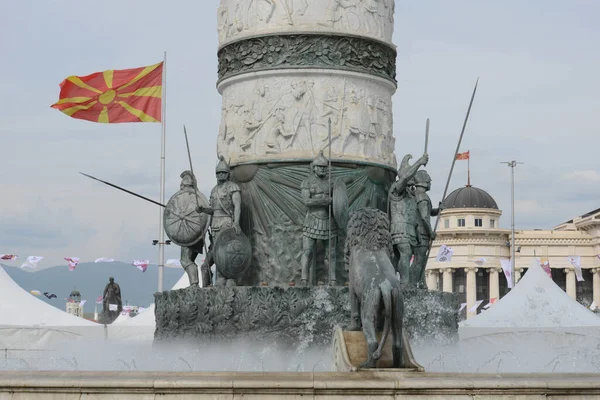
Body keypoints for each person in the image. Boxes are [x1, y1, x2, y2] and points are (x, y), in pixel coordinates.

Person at [197, 156, 242, 286]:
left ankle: (229, 277)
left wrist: (236, 223)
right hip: (214, 225)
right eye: (219, 173)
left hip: (227, 223)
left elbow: (237, 207)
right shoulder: (214, 190)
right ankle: (220, 277)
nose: (221, 175)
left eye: (223, 172)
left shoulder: (233, 187)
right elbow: (213, 210)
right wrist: (203, 209)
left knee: (227, 252)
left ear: (228, 174)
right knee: (217, 253)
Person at [388, 153, 428, 285]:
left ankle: (394, 281)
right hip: (399, 228)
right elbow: (404, 178)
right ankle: (404, 283)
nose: (413, 179)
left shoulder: (411, 194)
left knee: (397, 258)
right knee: (406, 252)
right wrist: (419, 162)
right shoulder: (397, 189)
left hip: (409, 230)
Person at [300, 151, 337, 286]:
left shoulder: (332, 184)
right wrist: (325, 201)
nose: (322, 169)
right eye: (320, 166)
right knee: (308, 251)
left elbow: (339, 201)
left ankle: (332, 279)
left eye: (324, 167)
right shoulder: (307, 182)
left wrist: (332, 202)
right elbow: (307, 201)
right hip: (312, 220)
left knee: (331, 254)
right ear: (314, 168)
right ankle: (304, 279)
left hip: (328, 221)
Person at [412, 169, 443, 288]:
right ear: (424, 182)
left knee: (422, 260)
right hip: (421, 232)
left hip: (418, 231)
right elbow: (425, 217)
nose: (430, 184)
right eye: (429, 182)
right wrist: (430, 232)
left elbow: (428, 212)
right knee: (419, 260)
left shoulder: (418, 195)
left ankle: (421, 282)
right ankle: (415, 283)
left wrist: (439, 210)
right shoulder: (422, 197)